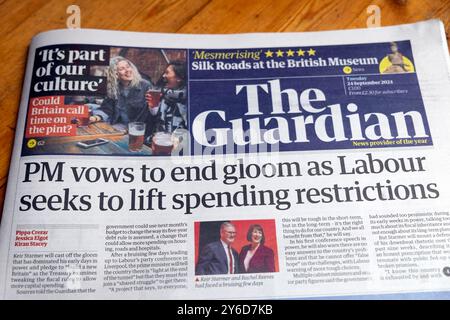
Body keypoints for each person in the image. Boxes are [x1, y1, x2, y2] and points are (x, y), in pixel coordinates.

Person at [90, 56, 155, 134]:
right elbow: (107, 109)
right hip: (118, 126)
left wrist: (128, 130)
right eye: (122, 69)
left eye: (128, 67)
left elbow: (145, 116)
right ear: (115, 74)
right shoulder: (114, 87)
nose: (127, 70)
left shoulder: (145, 85)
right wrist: (95, 118)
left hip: (137, 130)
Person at [146, 61, 187, 134]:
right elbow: (156, 116)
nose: (163, 76)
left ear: (179, 78)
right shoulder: (165, 93)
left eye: (167, 73)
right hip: (160, 138)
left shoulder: (189, 97)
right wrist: (153, 106)